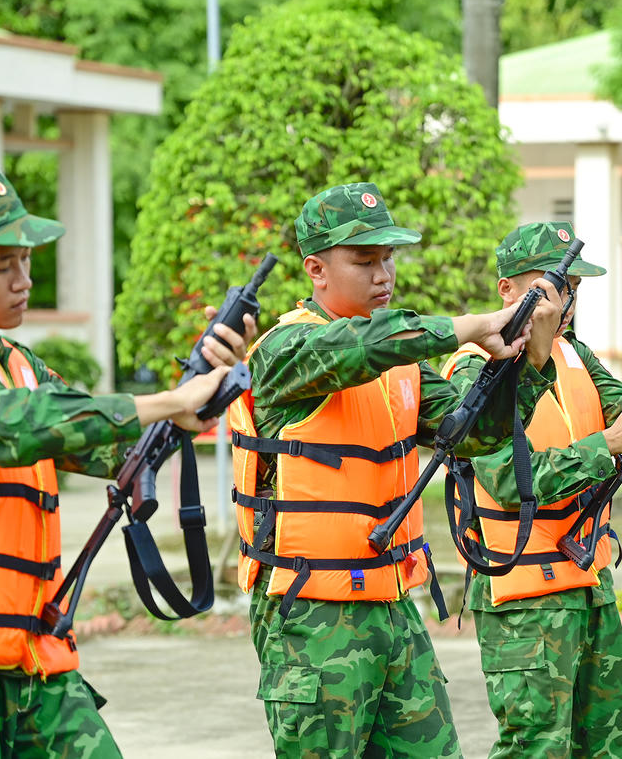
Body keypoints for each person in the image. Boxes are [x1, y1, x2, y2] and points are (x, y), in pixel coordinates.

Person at [0, 167, 244, 758]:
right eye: (3, 264)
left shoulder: (17, 362)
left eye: (26, 261)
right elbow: (14, 425)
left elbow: (114, 449)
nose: (24, 279)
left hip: (33, 651)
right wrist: (167, 402)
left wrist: (211, 386)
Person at [228, 182, 563, 758]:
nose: (383, 274)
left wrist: (532, 360)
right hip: (311, 613)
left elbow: (475, 434)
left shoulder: (401, 365)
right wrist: (471, 325)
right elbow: (359, 348)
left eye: (388, 258)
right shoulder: (286, 349)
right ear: (316, 269)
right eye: (365, 260)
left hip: (392, 604)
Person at [441, 221, 622, 759]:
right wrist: (606, 445)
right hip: (523, 595)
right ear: (507, 290)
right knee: (536, 747)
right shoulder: (472, 366)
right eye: (553, 287)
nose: (567, 300)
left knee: (616, 743)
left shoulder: (577, 356)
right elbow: (503, 477)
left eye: (574, 288)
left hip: (587, 579)